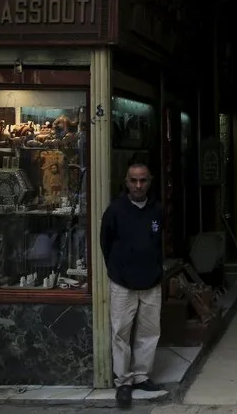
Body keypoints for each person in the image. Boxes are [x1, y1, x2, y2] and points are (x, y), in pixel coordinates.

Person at [100, 163, 164, 408]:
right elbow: (105, 242)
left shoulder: (156, 209)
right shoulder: (115, 210)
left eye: (143, 180)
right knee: (121, 333)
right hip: (122, 284)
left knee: (149, 332)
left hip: (151, 282)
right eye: (134, 181)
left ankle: (141, 376)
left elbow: (159, 243)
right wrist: (118, 270)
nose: (138, 185)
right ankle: (124, 383)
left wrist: (158, 269)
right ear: (126, 182)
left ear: (150, 182)